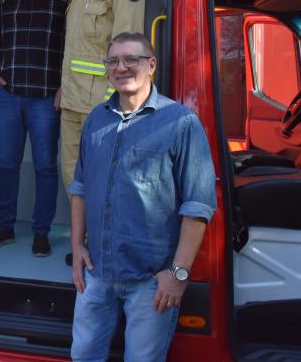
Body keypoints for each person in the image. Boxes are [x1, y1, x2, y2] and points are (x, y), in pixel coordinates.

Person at [69, 32, 216, 362]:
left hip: (151, 282)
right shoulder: (96, 120)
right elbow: (80, 188)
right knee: (83, 357)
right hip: (97, 273)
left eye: (131, 59)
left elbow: (198, 207)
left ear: (151, 65)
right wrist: (77, 246)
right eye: (113, 61)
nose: (121, 67)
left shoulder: (181, 122)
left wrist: (178, 274)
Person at [0, 0, 70, 257]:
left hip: (46, 96)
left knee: (45, 167)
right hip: (9, 94)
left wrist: (65, 86)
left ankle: (41, 232)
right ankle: (4, 227)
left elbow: (74, 46)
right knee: (7, 164)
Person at [60, 0, 147, 197]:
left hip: (101, 105)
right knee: (72, 178)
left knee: (102, 181)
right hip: (72, 102)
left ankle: (97, 228)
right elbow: (77, 46)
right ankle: (79, 227)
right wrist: (63, 88)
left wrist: (116, 104)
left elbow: (128, 52)